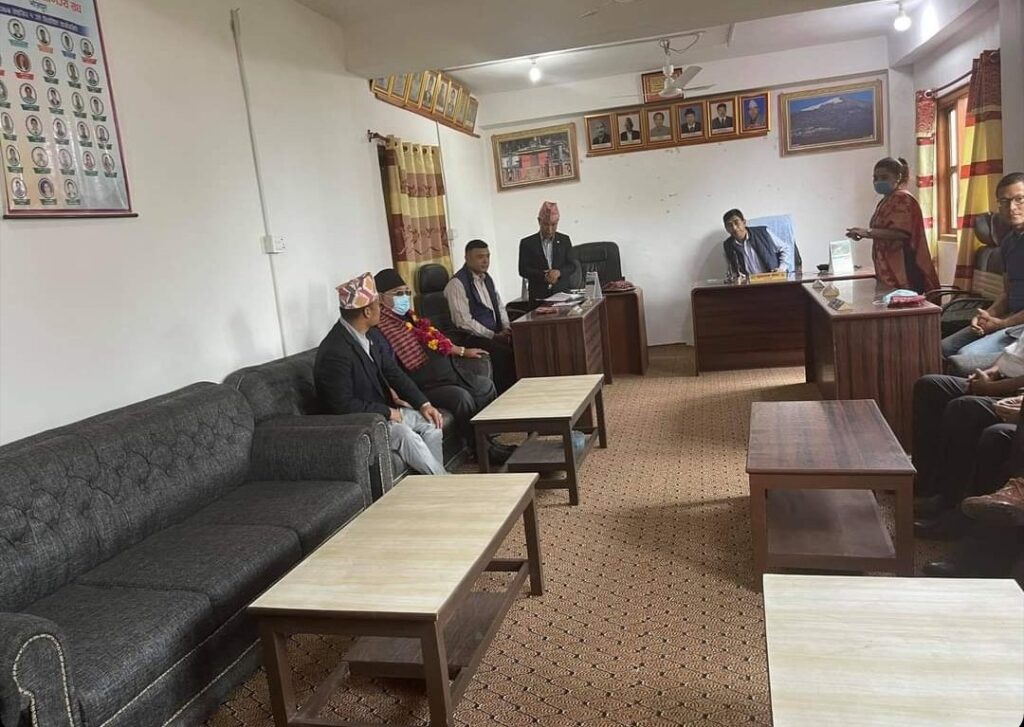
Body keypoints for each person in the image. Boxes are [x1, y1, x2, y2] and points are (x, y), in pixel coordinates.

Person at [371, 268, 512, 463]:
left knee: (483, 386)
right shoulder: (380, 328)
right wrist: (393, 392)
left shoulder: (409, 317)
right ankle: (481, 451)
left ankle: (489, 442)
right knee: (461, 398)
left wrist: (462, 351)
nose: (404, 297)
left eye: (406, 292)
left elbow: (437, 341)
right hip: (421, 387)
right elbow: (387, 369)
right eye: (398, 293)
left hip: (444, 375)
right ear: (380, 298)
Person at [314, 272, 447, 475]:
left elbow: (394, 373)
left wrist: (424, 404)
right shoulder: (335, 351)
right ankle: (443, 481)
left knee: (432, 422)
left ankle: (435, 483)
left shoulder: (372, 334)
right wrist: (387, 412)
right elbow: (342, 406)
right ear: (367, 312)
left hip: (383, 413)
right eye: (377, 304)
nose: (381, 309)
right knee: (405, 435)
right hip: (359, 424)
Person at [939, 173, 1024, 374]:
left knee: (965, 357)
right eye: (1004, 202)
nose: (1012, 207)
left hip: (1017, 326)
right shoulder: (1008, 243)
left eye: (1019, 199)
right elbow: (1007, 293)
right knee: (943, 347)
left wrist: (1001, 324)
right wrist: (988, 315)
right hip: (1010, 320)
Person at [845, 156, 940, 293]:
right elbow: (881, 231)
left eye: (884, 177)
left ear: (898, 177)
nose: (878, 182)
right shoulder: (886, 200)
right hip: (887, 265)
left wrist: (867, 232)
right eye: (875, 178)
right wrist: (861, 233)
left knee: (904, 301)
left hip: (903, 265)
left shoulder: (903, 199)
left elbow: (902, 232)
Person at [445, 239, 517, 393]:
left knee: (521, 345)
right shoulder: (457, 284)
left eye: (487, 256)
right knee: (504, 354)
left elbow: (499, 305)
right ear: (467, 258)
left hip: (494, 333)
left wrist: (506, 327)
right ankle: (504, 395)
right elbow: (463, 321)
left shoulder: (487, 278)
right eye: (480, 257)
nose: (485, 261)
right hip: (470, 337)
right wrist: (493, 336)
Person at [519, 200, 577, 303]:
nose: (550, 230)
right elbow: (523, 270)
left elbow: (572, 265)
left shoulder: (564, 240)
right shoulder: (527, 243)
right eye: (546, 224)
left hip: (561, 295)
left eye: (553, 225)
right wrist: (544, 276)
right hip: (538, 297)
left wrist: (559, 273)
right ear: (539, 221)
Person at [721, 208, 789, 278]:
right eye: (729, 225)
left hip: (772, 278)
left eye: (736, 223)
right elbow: (732, 269)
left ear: (744, 222)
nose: (734, 228)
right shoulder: (728, 245)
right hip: (749, 282)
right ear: (726, 228)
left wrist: (781, 268)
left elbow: (785, 249)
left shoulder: (764, 232)